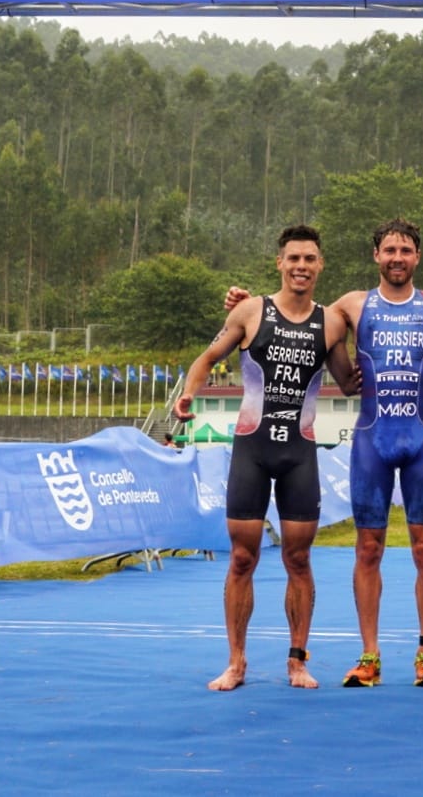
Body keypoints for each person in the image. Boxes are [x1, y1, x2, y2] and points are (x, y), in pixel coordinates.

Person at [225, 219, 423, 689]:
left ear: (417, 256)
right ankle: (369, 656)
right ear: (376, 256)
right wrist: (246, 306)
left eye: (405, 250)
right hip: (372, 440)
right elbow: (292, 319)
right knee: (368, 548)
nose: (397, 257)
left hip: (422, 440)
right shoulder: (350, 305)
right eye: (389, 250)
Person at [174, 224, 357, 691]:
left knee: (299, 558)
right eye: (293, 258)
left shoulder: (331, 322)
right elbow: (207, 357)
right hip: (252, 451)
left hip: (300, 454)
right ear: (280, 263)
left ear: (320, 265)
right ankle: (236, 662)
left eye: (310, 259)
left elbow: (350, 382)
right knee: (241, 557)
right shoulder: (251, 311)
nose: (301, 266)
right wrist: (189, 393)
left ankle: (297, 661)